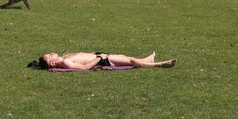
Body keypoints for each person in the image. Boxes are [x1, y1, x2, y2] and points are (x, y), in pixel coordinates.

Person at [28, 51, 177, 70]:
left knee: (126, 58)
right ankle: (160, 64)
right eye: (50, 56)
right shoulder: (65, 63)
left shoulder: (64, 57)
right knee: (130, 60)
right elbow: (84, 68)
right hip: (102, 60)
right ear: (53, 63)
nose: (52, 53)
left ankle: (147, 59)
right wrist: (100, 58)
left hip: (100, 55)